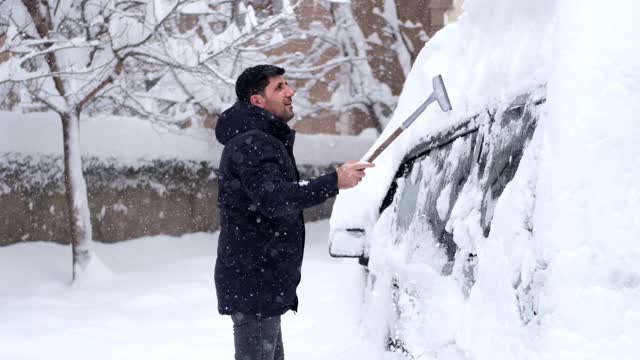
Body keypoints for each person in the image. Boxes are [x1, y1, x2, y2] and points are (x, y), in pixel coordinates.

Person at [214, 64, 374, 360]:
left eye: (287, 84)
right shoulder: (254, 143)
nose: (291, 92)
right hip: (255, 281)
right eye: (279, 87)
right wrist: (333, 182)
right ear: (257, 101)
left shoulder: (260, 139)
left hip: (258, 281)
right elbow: (273, 198)